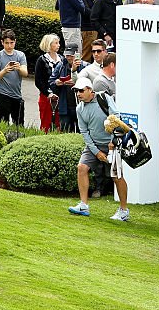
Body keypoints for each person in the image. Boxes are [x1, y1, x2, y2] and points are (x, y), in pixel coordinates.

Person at [68, 77, 130, 221]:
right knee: (82, 168)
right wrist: (96, 152)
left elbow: (116, 118)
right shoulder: (79, 108)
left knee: (117, 176)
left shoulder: (104, 98)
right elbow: (84, 132)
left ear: (90, 90)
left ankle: (124, 210)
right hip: (94, 145)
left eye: (81, 90)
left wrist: (112, 141)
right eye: (77, 91)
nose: (78, 94)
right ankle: (83, 205)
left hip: (112, 144)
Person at [0, 29, 27, 125]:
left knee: (19, 124)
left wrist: (18, 68)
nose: (9, 46)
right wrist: (4, 71)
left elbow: (25, 73)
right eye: (7, 43)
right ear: (2, 42)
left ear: (15, 42)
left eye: (12, 43)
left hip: (17, 95)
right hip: (2, 94)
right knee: (3, 123)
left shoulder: (20, 55)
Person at [34, 33, 63, 131]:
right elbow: (38, 80)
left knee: (59, 123)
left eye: (58, 43)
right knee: (46, 123)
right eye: (56, 43)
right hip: (46, 96)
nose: (58, 45)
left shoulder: (62, 59)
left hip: (60, 95)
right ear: (49, 44)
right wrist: (48, 93)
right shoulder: (42, 60)